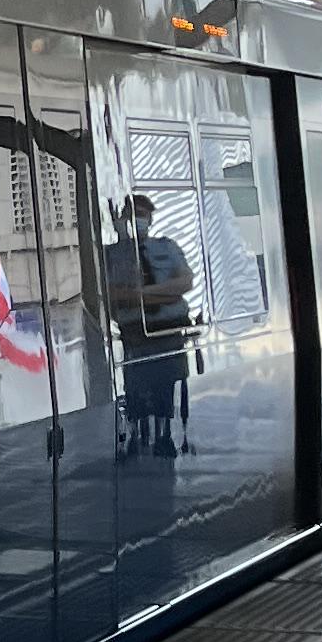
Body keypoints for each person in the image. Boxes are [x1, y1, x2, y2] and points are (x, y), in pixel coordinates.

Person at [105, 191, 196, 454]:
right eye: (133, 215)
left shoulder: (166, 247)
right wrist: (165, 293)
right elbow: (113, 294)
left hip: (169, 332)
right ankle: (138, 438)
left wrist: (143, 294)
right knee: (138, 388)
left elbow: (185, 282)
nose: (139, 220)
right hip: (136, 336)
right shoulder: (112, 254)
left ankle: (165, 437)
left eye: (144, 215)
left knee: (166, 387)